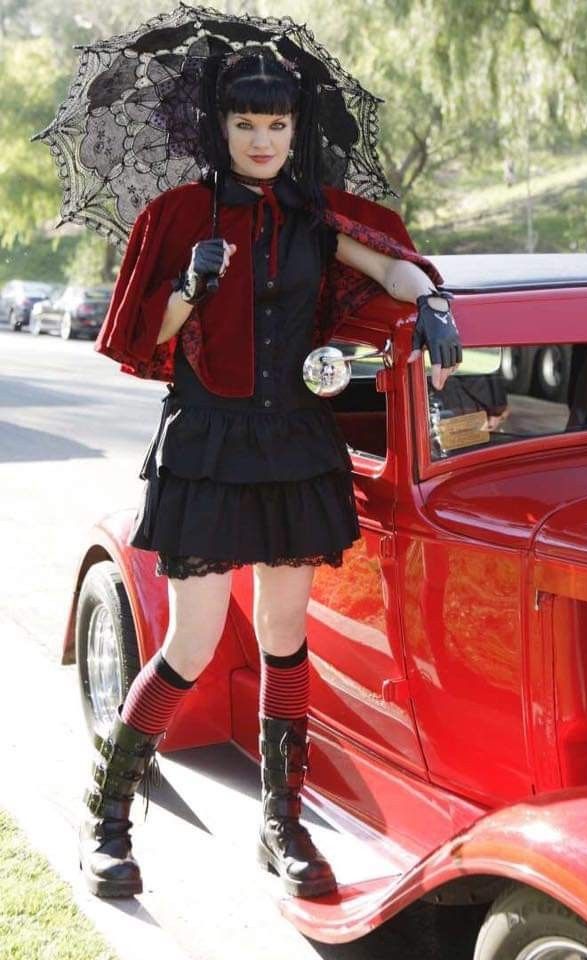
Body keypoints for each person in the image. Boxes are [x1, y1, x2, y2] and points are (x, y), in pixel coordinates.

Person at [81, 45, 461, 901]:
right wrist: (189, 284)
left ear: (296, 130)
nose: (263, 139)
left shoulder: (315, 212)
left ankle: (282, 823)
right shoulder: (177, 214)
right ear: (218, 129)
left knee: (286, 638)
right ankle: (106, 815)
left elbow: (389, 263)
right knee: (191, 641)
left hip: (293, 443)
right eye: (246, 123)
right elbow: (140, 338)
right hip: (208, 443)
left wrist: (431, 298)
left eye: (277, 124)